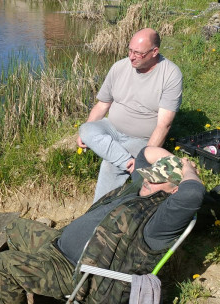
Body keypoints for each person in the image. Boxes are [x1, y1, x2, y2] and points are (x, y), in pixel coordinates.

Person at [0, 148, 204, 304]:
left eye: (158, 179)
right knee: (14, 227)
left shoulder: (161, 220)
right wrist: (180, 161)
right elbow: (146, 152)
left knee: (3, 265)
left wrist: (189, 171)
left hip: (76, 273)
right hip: (57, 245)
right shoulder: (140, 187)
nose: (148, 180)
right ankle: (44, 298)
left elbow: (192, 195)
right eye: (150, 174)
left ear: (175, 189)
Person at [78, 28, 183, 201]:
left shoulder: (170, 75)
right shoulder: (119, 67)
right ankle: (129, 163)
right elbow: (103, 104)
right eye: (130, 50)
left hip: (140, 139)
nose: (131, 57)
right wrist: (86, 134)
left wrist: (144, 158)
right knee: (86, 130)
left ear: (154, 52)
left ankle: (98, 209)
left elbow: (164, 125)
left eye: (138, 53)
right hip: (111, 127)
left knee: (109, 164)